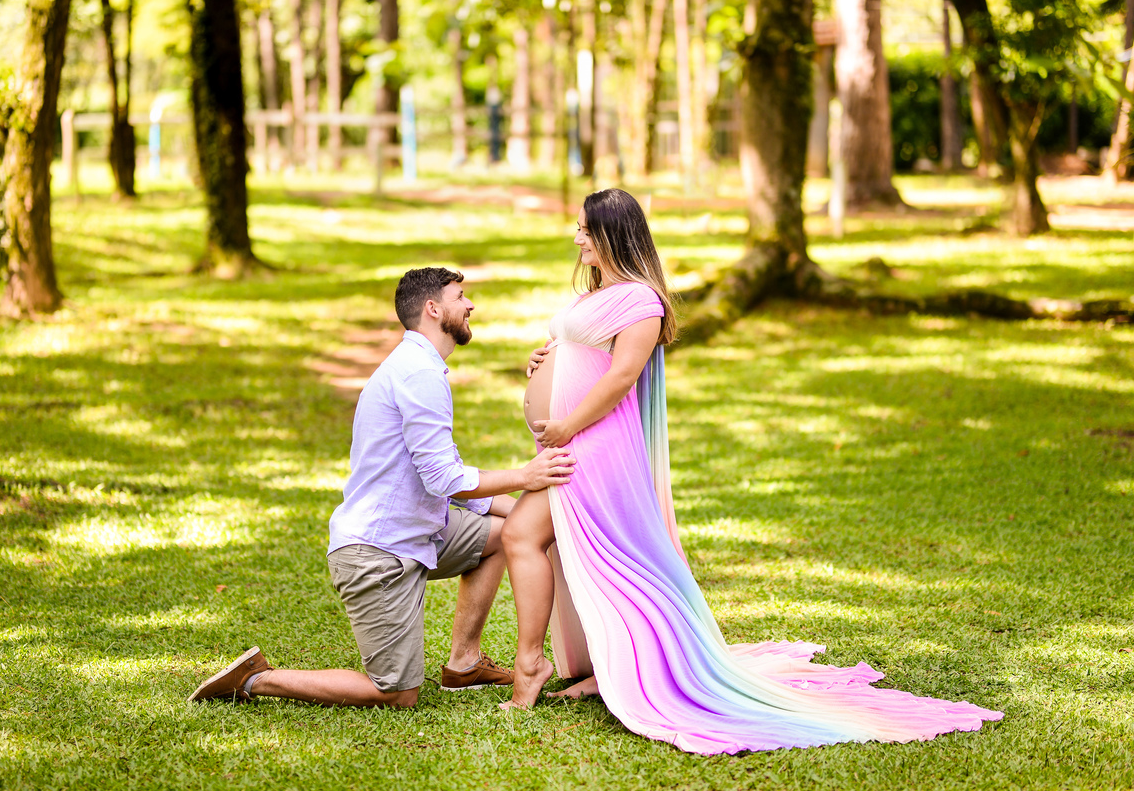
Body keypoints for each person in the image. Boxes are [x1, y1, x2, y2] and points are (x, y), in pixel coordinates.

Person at [501, 188, 1002, 754]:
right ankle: (605, 663)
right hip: (573, 442)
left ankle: (538, 668)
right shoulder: (599, 293)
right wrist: (544, 357)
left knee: (563, 543)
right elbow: (573, 346)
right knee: (608, 557)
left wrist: (564, 424)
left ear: (613, 233)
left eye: (585, 230)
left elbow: (620, 379)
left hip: (594, 447)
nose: (576, 238)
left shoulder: (642, 301)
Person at [189, 267, 576, 709]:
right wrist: (525, 477)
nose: (470, 305)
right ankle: (255, 679)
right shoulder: (418, 374)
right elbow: (444, 478)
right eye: (460, 296)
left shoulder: (421, 367)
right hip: (377, 554)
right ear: (433, 309)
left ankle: (464, 663)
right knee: (396, 693)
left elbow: (438, 479)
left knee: (505, 536)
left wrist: (522, 514)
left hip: (417, 533)